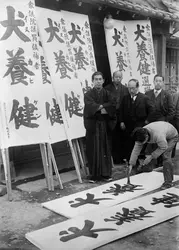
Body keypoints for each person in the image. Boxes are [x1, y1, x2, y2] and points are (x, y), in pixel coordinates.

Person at [83, 71, 117, 183]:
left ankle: (106, 174)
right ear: (92, 81)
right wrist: (102, 107)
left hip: (104, 125)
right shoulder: (88, 94)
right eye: (96, 79)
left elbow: (112, 105)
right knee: (93, 149)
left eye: (100, 79)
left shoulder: (108, 94)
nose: (98, 81)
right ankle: (94, 175)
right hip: (93, 126)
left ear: (103, 81)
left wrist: (99, 108)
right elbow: (90, 107)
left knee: (105, 148)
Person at [128, 121, 178, 189]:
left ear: (146, 136)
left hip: (172, 136)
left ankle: (168, 182)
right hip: (162, 132)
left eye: (142, 142)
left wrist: (151, 157)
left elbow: (164, 147)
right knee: (148, 152)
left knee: (166, 155)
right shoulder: (140, 134)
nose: (140, 143)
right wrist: (131, 163)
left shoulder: (158, 135)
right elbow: (136, 149)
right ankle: (146, 168)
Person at [119, 78, 154, 161]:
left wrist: (147, 121)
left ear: (137, 87)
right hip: (128, 125)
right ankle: (131, 161)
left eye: (133, 88)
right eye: (129, 88)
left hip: (140, 125)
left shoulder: (144, 98)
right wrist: (121, 121)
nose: (131, 90)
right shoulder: (125, 98)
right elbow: (121, 111)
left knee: (139, 144)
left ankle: (140, 160)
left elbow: (152, 110)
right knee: (129, 143)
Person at [145, 74, 175, 167]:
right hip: (150, 122)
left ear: (162, 83)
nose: (158, 83)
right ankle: (151, 162)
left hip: (162, 122)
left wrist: (165, 121)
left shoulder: (167, 94)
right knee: (150, 141)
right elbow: (144, 108)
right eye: (156, 81)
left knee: (160, 142)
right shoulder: (147, 94)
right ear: (153, 82)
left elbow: (172, 110)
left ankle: (160, 162)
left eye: (160, 81)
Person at [105, 70, 129, 164]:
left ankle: (124, 157)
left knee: (123, 137)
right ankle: (115, 158)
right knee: (113, 138)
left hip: (122, 116)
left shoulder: (125, 89)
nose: (118, 79)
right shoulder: (107, 88)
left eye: (119, 77)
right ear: (112, 78)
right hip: (111, 116)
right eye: (116, 77)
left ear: (122, 78)